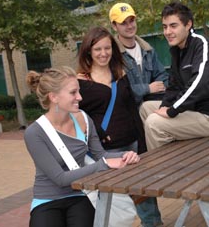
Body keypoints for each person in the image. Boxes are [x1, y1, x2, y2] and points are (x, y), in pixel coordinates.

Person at [24, 66, 140, 227]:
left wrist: (125, 155)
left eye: (79, 91)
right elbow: (60, 179)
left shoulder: (84, 119)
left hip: (78, 195)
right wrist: (104, 165)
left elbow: (101, 155)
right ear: (54, 97)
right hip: (47, 199)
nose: (80, 97)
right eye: (73, 93)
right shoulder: (34, 133)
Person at [76, 27, 163, 227]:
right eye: (98, 49)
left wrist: (141, 143)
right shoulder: (81, 82)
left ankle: (153, 223)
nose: (103, 53)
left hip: (132, 142)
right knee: (112, 199)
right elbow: (79, 119)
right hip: (107, 150)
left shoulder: (120, 74)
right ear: (88, 50)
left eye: (107, 48)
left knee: (143, 190)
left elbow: (132, 109)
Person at [139, 2, 209, 151]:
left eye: (173, 26)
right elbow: (174, 86)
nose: (167, 32)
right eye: (165, 27)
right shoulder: (177, 50)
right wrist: (165, 105)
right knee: (145, 108)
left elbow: (200, 84)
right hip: (193, 110)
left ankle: (163, 171)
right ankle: (171, 153)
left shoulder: (202, 45)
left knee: (153, 122)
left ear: (188, 24)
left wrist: (172, 110)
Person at [109, 2, 169, 105]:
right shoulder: (112, 55)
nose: (129, 26)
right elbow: (117, 89)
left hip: (151, 108)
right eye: (123, 23)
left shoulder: (148, 50)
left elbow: (162, 77)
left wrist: (157, 88)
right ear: (114, 26)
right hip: (128, 113)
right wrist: (147, 88)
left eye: (131, 21)